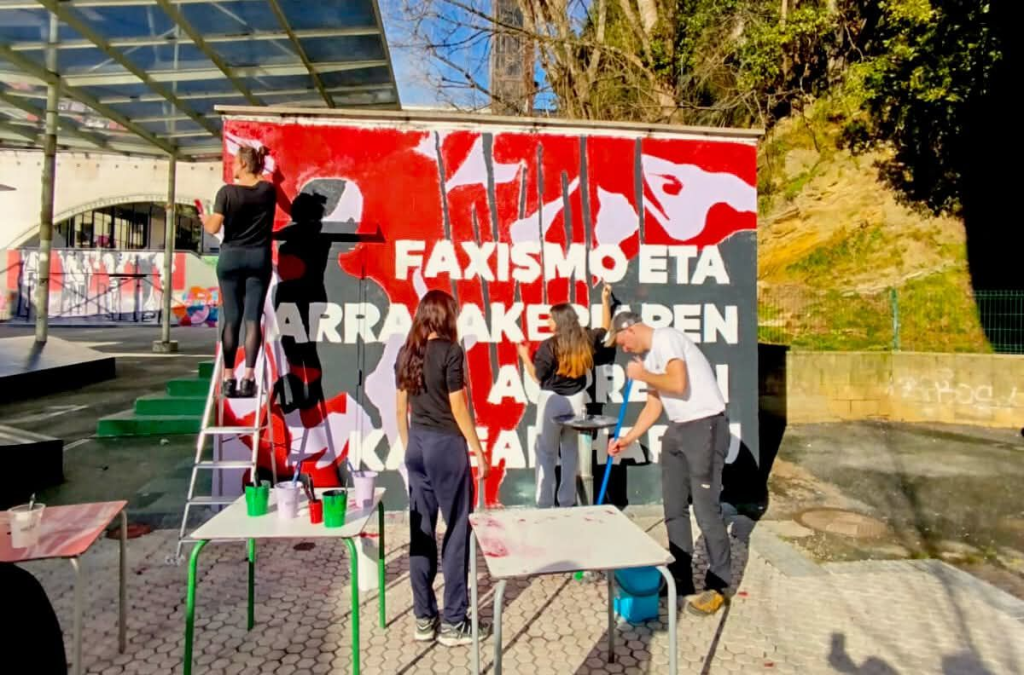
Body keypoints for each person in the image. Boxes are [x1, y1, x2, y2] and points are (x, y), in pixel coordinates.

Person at [605, 311, 732, 617]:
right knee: (673, 508)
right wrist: (629, 438)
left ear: (631, 329)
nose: (624, 350)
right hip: (678, 429)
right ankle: (680, 577)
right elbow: (655, 404)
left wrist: (643, 375)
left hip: (704, 425)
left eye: (622, 342)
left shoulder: (667, 338)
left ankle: (719, 585)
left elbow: (677, 382)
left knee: (705, 510)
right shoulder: (650, 359)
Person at [395, 290, 492, 646]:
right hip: (446, 447)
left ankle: (424, 618)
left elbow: (399, 409)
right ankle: (454, 623)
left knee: (420, 533)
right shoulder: (451, 352)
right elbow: (460, 409)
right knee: (455, 534)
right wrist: (479, 451)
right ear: (446, 317)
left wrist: (409, 449)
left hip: (417, 446)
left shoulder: (406, 353)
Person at [517, 284, 615, 507]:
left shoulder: (548, 346)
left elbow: (538, 377)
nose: (548, 322)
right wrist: (605, 300)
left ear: (560, 321)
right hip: (577, 399)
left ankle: (543, 502)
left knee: (545, 452)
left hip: (551, 401)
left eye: (551, 319)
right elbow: (605, 329)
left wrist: (524, 356)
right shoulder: (585, 341)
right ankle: (567, 500)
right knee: (571, 453)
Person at [201, 145, 276, 398]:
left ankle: (228, 377)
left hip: (231, 258)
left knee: (232, 319)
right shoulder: (267, 191)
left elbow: (213, 228)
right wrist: (261, 158)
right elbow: (266, 178)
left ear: (244, 164)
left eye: (235, 162)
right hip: (258, 258)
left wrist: (204, 218)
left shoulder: (226, 192)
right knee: (252, 319)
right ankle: (249, 378)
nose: (232, 167)